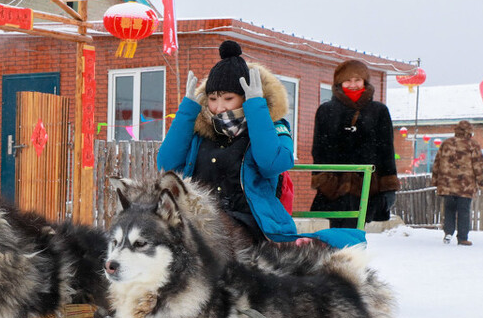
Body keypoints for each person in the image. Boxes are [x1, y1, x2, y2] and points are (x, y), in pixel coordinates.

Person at [157, 40, 298, 245]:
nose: (218, 107)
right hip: (200, 221)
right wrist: (187, 112)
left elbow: (272, 164)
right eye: (212, 98)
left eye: (228, 98)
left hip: (250, 224)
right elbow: (167, 165)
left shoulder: (272, 126)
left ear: (245, 96)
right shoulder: (203, 130)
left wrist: (256, 107)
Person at [310, 59, 399, 228]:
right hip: (333, 186)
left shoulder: (379, 111)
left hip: (367, 184)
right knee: (334, 234)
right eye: (347, 80)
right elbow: (318, 149)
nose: (353, 84)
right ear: (339, 83)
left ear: (364, 82)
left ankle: (353, 254)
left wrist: (388, 186)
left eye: (357, 80)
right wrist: (322, 180)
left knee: (356, 232)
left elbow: (386, 150)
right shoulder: (326, 110)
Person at [431, 120, 483, 245]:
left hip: (447, 184)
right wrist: (482, 182)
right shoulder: (472, 145)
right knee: (464, 211)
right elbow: (478, 165)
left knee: (449, 209)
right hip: (465, 185)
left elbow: (437, 163)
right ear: (469, 131)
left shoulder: (446, 144)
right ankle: (462, 237)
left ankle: (448, 233)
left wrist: (435, 180)